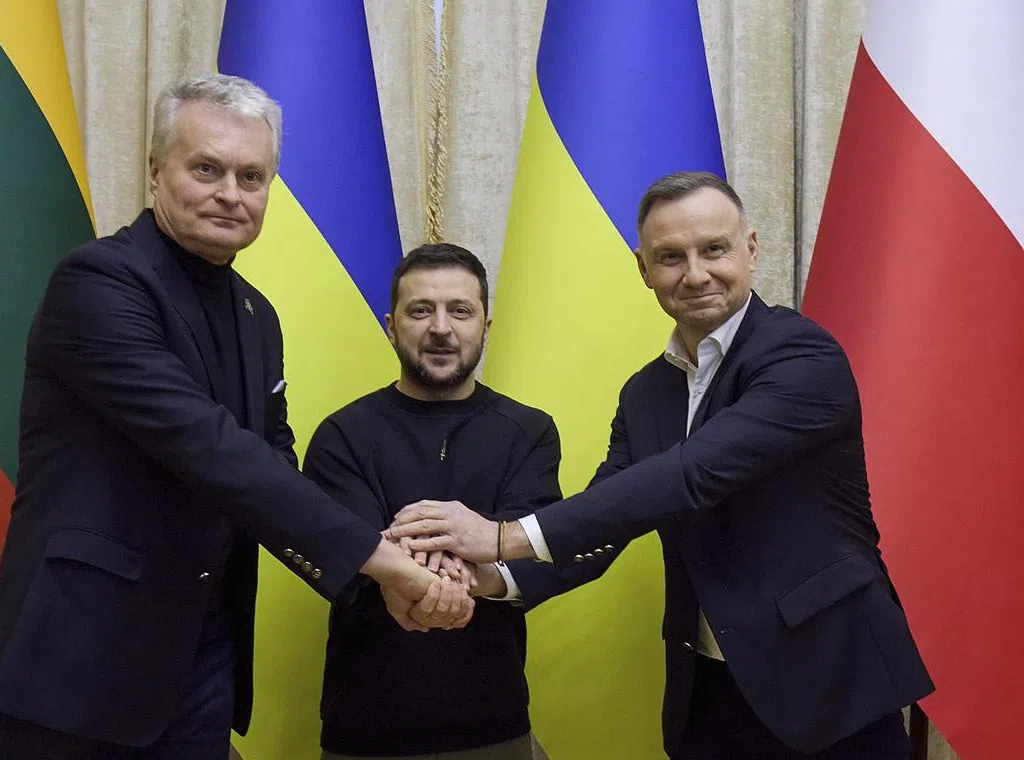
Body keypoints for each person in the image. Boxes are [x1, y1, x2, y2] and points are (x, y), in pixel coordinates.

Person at [0, 74, 470, 760]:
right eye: (206, 168)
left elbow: (270, 463)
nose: (231, 194)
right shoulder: (96, 284)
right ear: (156, 172)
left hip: (203, 661)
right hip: (82, 663)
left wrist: (368, 575)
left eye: (252, 175)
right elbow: (208, 449)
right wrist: (388, 562)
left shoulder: (255, 314)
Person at [390, 171, 934, 759]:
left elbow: (691, 475)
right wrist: (487, 578)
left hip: (831, 682)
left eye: (714, 249)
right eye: (670, 257)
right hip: (710, 692)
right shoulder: (646, 393)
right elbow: (604, 525)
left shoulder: (802, 356)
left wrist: (499, 537)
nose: (695, 273)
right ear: (643, 269)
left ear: (750, 249)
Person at [303, 244, 559, 760]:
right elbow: (343, 559)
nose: (440, 328)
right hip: (364, 725)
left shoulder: (531, 432)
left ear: (486, 326)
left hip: (494, 721)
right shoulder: (341, 434)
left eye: (460, 311)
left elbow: (535, 551)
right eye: (421, 310)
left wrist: (454, 570)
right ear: (390, 324)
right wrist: (455, 565)